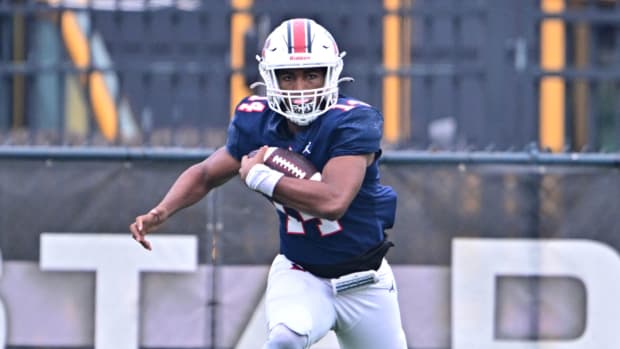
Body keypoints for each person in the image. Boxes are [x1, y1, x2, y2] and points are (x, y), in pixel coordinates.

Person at [130, 18, 407, 349]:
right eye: (288, 76)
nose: (301, 87)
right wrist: (162, 211)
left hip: (367, 284)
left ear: (331, 74)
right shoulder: (258, 121)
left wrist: (264, 178)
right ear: (269, 78)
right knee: (284, 339)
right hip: (302, 274)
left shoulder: (352, 121)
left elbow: (334, 202)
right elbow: (205, 173)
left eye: (311, 74)